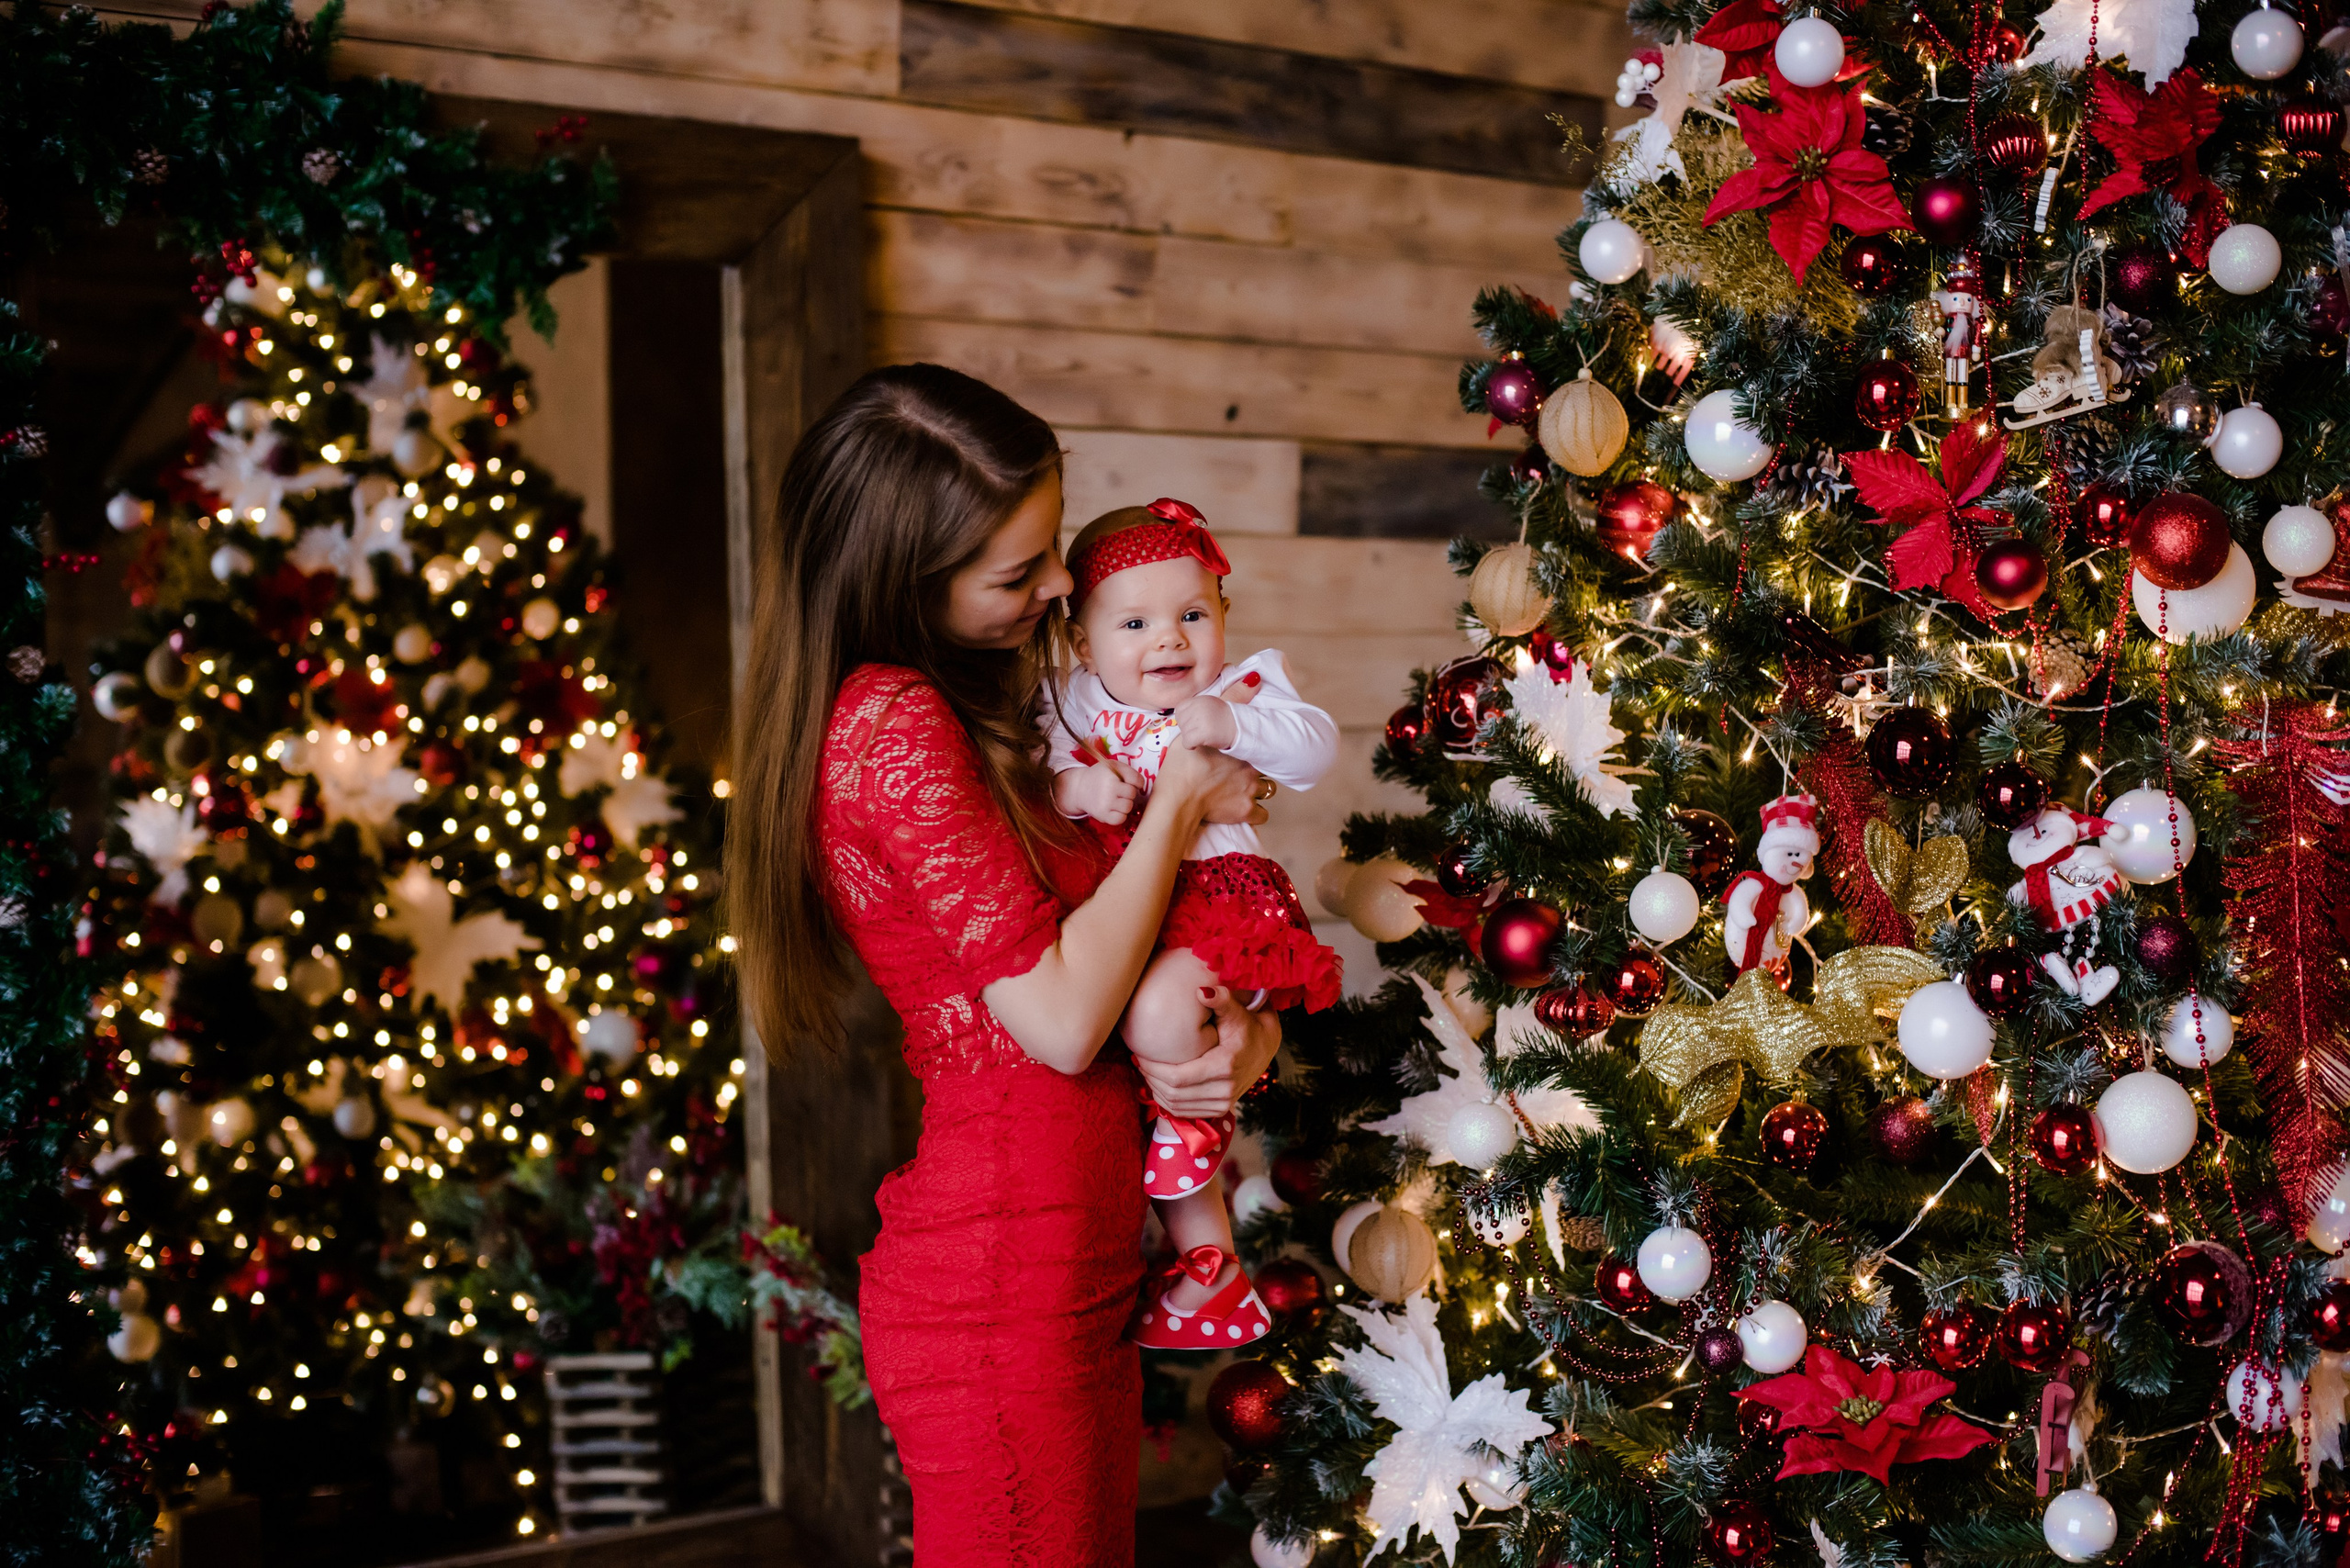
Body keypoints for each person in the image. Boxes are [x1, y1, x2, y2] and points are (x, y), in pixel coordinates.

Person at [727, 364, 1281, 1568]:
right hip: (1000, 1293)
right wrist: (1185, 792)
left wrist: (1235, 1043)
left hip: (1072, 1272)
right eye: (1018, 574)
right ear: (904, 578)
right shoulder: (890, 728)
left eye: (1051, 555)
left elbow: (1148, 953)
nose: (1057, 591)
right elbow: (1064, 1021)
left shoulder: (994, 706)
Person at [1043, 498, 1341, 1350]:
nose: (1170, 640)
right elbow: (1034, 781)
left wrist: (1236, 724)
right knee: (1142, 1031)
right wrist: (1074, 790)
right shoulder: (1070, 705)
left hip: (1220, 900)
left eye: (1192, 615)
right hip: (1129, 913)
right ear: (1081, 642)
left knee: (1160, 1018)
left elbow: (1315, 749)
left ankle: (1195, 1134)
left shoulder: (1240, 684)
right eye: (1134, 622)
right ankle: (1210, 1270)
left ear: (1224, 618)